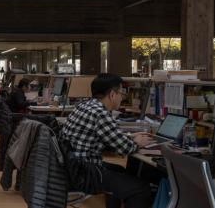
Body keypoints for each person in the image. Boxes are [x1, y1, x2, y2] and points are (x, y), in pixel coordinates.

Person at [61, 73, 154, 208]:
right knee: (140, 188)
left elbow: (106, 136)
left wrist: (129, 137)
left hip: (72, 168)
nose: (122, 97)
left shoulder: (83, 106)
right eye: (121, 93)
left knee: (121, 170)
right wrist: (137, 142)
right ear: (112, 94)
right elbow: (126, 148)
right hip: (86, 173)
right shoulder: (100, 113)